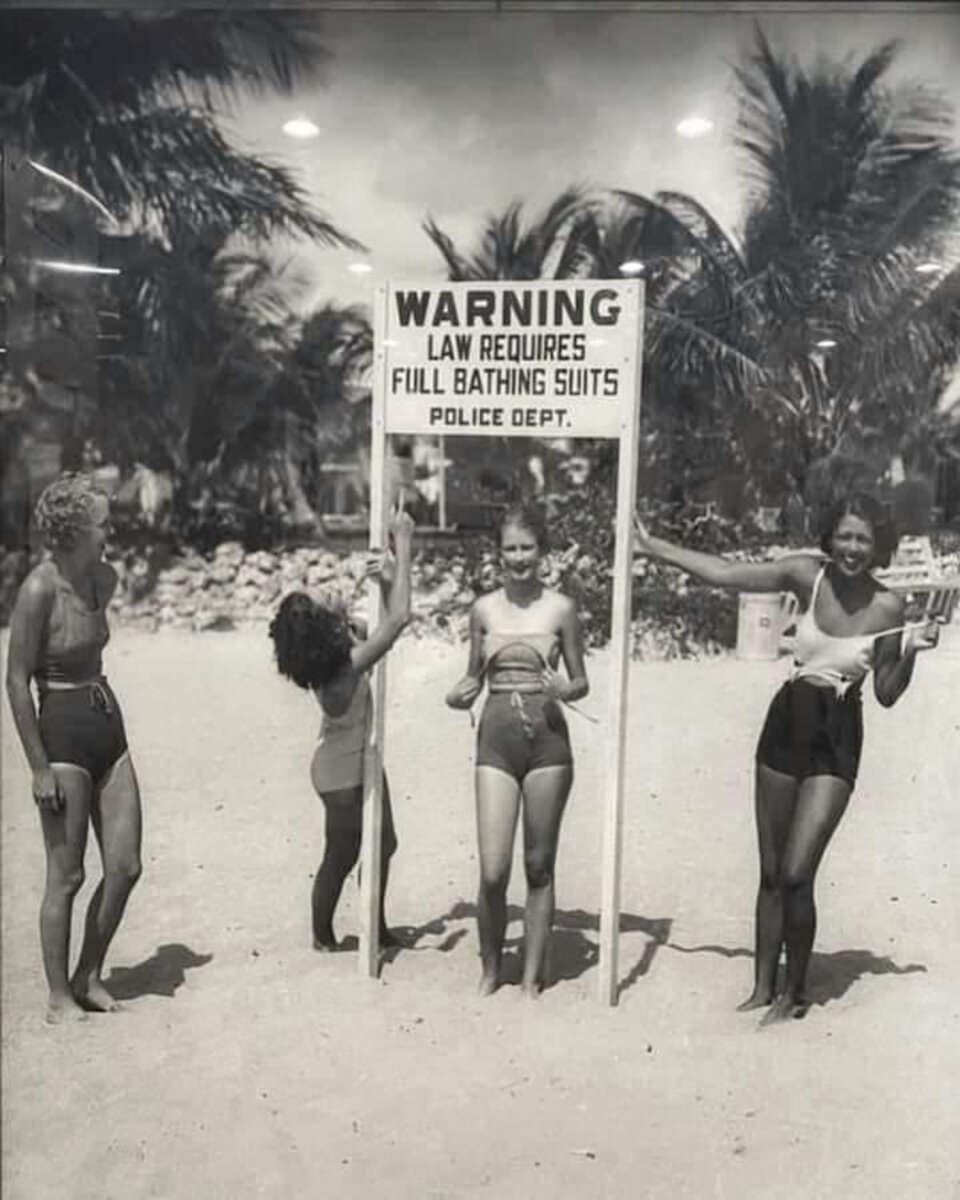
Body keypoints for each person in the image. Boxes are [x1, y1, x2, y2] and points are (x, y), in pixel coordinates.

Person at [632, 491, 940, 1024]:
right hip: (785, 723)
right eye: (844, 535)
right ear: (830, 536)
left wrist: (912, 651)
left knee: (798, 871)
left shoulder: (888, 606)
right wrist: (653, 547)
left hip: (838, 736)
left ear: (878, 544)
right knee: (772, 870)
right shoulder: (805, 576)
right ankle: (761, 986)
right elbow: (727, 573)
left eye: (863, 539)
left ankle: (793, 994)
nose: (852, 547)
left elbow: (887, 692)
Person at [6, 472, 143, 1023]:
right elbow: (16, 680)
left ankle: (89, 972)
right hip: (60, 728)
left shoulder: (104, 579)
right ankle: (59, 996)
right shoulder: (39, 590)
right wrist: (38, 767)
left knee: (126, 865)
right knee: (66, 876)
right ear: (75, 530)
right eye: (104, 523)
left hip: (106, 721)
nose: (111, 531)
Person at [446, 502, 589, 998]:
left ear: (543, 552)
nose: (519, 557)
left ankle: (530, 978)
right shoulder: (483, 609)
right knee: (492, 870)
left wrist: (562, 690)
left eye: (528, 547)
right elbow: (472, 676)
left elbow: (580, 682)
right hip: (496, 738)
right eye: (510, 548)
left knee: (538, 865)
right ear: (498, 553)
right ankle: (490, 969)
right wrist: (456, 693)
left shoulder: (562, 608)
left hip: (549, 740)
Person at [269, 507, 415, 951]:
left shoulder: (339, 652)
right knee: (344, 853)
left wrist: (387, 578)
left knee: (384, 843)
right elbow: (398, 623)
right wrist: (405, 544)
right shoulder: (344, 668)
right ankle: (322, 936)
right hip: (340, 772)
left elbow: (383, 620)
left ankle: (374, 924)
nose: (325, 598)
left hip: (352, 757)